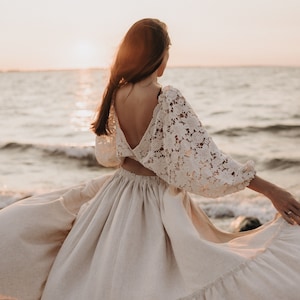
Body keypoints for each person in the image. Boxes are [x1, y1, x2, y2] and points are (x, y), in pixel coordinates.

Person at [0, 18, 299, 300]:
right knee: (171, 279)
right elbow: (209, 163)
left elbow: (108, 155)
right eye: (167, 52)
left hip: (116, 195)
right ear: (158, 56)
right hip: (156, 201)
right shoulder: (166, 98)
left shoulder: (115, 95)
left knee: (105, 273)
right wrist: (273, 191)